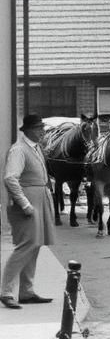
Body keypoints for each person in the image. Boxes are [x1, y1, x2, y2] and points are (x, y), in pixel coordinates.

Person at [1, 114, 56, 309]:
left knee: (35, 245)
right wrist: (24, 204)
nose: (43, 131)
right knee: (26, 245)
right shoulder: (19, 150)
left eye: (43, 127)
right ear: (29, 130)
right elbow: (10, 178)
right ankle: (6, 292)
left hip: (39, 201)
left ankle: (26, 291)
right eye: (39, 128)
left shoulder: (35, 148)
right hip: (28, 205)